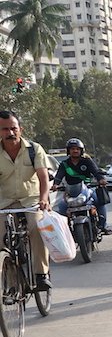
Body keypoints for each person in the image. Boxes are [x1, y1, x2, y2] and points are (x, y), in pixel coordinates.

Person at [0, 109, 52, 290]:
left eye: (13, 128)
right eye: (5, 129)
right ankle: (8, 276)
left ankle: (41, 274)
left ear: (20, 129)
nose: (10, 133)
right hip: (5, 203)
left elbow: (43, 177)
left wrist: (44, 199)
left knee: (37, 228)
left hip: (32, 200)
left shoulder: (34, 149)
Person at [51, 137, 112, 234]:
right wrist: (55, 184)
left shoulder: (87, 161)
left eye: (77, 149)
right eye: (72, 149)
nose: (75, 151)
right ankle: (66, 230)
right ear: (68, 151)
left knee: (99, 200)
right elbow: (59, 176)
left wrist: (101, 179)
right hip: (71, 192)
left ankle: (103, 225)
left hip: (87, 188)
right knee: (62, 206)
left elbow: (95, 171)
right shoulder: (64, 164)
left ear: (81, 150)